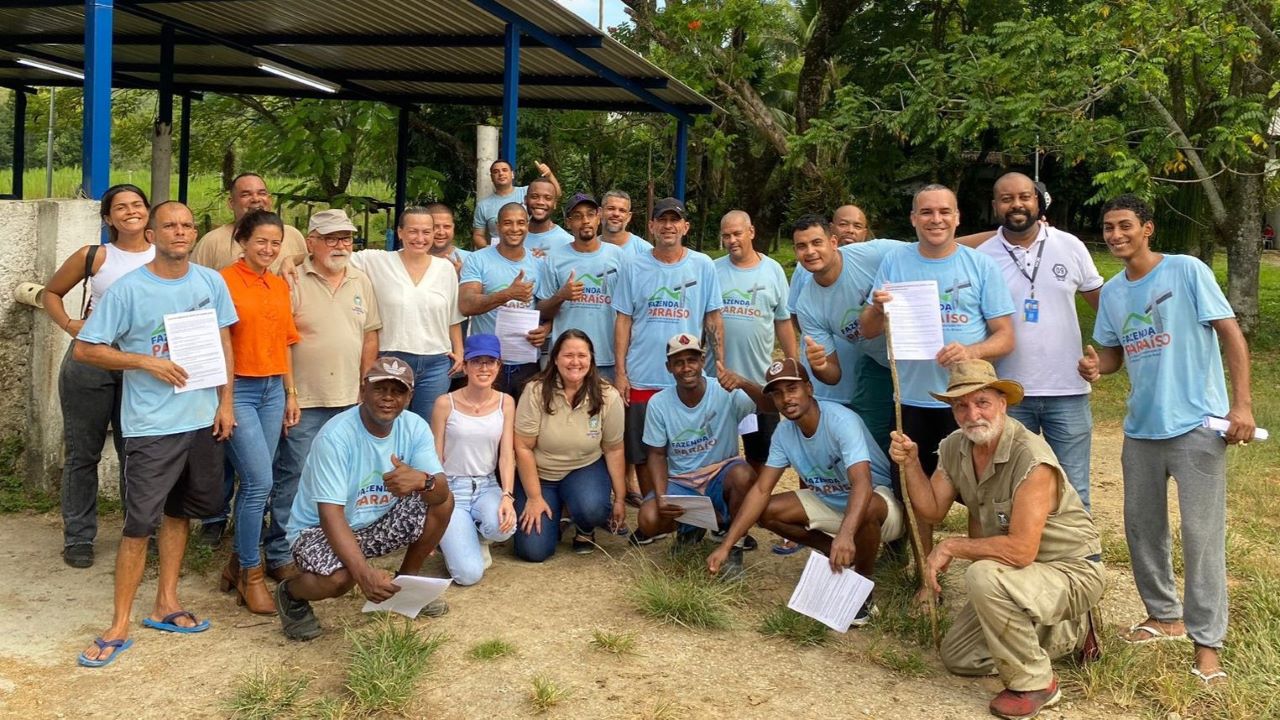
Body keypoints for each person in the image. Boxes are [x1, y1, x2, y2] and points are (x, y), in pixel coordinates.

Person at [1079, 194, 1254, 685]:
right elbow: (1113, 356)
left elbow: (1231, 334)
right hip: (1141, 430)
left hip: (1197, 426)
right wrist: (1096, 367)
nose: (1116, 235)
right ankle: (1164, 616)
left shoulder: (1186, 271)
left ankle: (1208, 644)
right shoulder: (1113, 293)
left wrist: (1240, 405)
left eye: (1125, 225)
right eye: (1109, 227)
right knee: (1142, 530)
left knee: (1201, 538)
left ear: (1148, 228)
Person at [891, 360, 1104, 720]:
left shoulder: (1031, 457)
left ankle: (1038, 683)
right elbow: (930, 512)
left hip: (1071, 571)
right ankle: (1062, 631)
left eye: (982, 402)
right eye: (961, 405)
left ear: (1002, 403)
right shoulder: (955, 446)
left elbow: (1020, 551)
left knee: (982, 575)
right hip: (1024, 575)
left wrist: (951, 546)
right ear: (953, 411)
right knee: (959, 657)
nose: (972, 414)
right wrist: (912, 464)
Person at [73, 201, 237, 668]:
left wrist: (224, 403)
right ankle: (118, 625)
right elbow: (86, 350)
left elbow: (224, 341)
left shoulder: (211, 281)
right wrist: (147, 361)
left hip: (202, 420)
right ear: (153, 231)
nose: (180, 232)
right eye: (169, 225)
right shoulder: (128, 290)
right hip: (151, 426)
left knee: (179, 513)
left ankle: (166, 602)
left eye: (187, 225)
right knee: (137, 525)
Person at [860, 184, 1015, 557]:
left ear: (958, 217)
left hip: (967, 402)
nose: (936, 219)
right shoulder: (896, 262)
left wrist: (971, 350)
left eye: (944, 212)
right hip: (911, 400)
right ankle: (925, 578)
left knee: (979, 493)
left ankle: (982, 573)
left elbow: (1006, 337)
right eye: (927, 212)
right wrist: (879, 309)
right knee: (916, 495)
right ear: (914, 219)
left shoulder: (980, 265)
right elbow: (866, 330)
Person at [707, 358, 905, 625]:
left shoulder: (840, 421)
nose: (785, 398)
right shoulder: (784, 433)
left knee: (866, 505)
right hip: (833, 502)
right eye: (777, 393)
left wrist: (845, 534)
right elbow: (761, 489)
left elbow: (862, 483)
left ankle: (862, 586)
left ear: (809, 389)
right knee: (765, 511)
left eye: (792, 389)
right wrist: (727, 544)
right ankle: (835, 552)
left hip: (880, 504)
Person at [275, 357, 454, 641]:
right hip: (317, 530)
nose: (388, 398)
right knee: (339, 579)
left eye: (397, 391)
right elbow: (330, 514)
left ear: (409, 396)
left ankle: (404, 588)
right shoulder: (336, 436)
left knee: (440, 501)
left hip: (375, 520)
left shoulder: (415, 426)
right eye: (380, 388)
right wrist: (363, 574)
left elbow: (442, 492)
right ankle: (290, 594)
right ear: (363, 391)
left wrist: (424, 480)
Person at [968, 173, 1104, 511]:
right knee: (1012, 487)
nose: (1017, 204)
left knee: (1073, 489)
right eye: (1007, 198)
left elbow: (1105, 306)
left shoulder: (1070, 245)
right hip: (1008, 393)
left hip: (1067, 390)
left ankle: (1082, 560)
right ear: (995, 205)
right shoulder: (982, 257)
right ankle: (1021, 559)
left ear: (1038, 201)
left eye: (1025, 197)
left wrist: (1105, 355)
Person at [263, 210, 382, 584]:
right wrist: (290, 392)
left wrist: (366, 384)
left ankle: (330, 549)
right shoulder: (292, 278)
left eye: (345, 238)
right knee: (295, 476)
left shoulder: (360, 279)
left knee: (343, 480)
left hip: (349, 398)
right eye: (331, 238)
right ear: (311, 241)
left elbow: (370, 335)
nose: (340, 245)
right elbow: (279, 339)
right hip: (306, 399)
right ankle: (281, 553)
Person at [43, 183, 154, 569]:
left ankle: (139, 533)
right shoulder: (95, 256)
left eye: (137, 205)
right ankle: (78, 537)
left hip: (140, 367)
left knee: (137, 454)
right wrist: (72, 325)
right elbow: (50, 293)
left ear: (148, 212)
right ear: (108, 218)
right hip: (89, 364)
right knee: (82, 453)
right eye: (120, 207)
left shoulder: (165, 256)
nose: (130, 212)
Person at [217, 210, 301, 614]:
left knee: (258, 484)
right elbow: (218, 345)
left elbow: (285, 341)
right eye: (260, 241)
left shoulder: (278, 284)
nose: (268, 249)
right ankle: (251, 573)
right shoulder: (223, 281)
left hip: (272, 389)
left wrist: (290, 393)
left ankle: (238, 561)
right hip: (239, 390)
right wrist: (225, 400)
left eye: (274, 243)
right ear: (242, 241)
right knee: (258, 483)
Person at [612, 197, 725, 494]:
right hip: (642, 373)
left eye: (675, 220)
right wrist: (621, 372)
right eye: (662, 220)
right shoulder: (633, 266)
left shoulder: (703, 266)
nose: (668, 226)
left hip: (686, 375)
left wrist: (721, 364)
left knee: (690, 443)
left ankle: (692, 507)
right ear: (651, 226)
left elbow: (713, 318)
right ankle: (655, 508)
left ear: (685, 227)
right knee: (643, 449)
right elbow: (623, 320)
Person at [638, 333, 763, 578]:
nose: (687, 368)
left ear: (702, 361)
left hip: (720, 474)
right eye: (679, 362)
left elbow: (769, 405)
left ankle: (734, 545)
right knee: (648, 518)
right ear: (669, 367)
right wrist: (663, 495)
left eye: (692, 360)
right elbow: (656, 454)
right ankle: (691, 528)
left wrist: (744, 383)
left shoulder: (725, 391)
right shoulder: (659, 403)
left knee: (743, 474)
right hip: (683, 480)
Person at [790, 215, 904, 453]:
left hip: (918, 359)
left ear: (833, 242)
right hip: (880, 364)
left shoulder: (873, 253)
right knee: (873, 441)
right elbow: (833, 375)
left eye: (816, 242)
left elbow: (926, 251)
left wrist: (995, 240)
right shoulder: (807, 305)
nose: (810, 252)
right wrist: (819, 366)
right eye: (802, 246)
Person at [339, 207, 464, 421]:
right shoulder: (377, 261)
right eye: (413, 231)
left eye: (426, 232)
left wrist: (459, 352)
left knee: (426, 429)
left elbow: (453, 318)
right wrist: (289, 261)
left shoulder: (445, 269)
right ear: (400, 232)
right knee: (386, 425)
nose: (420, 238)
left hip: (436, 363)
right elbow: (334, 254)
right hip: (392, 359)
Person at [512, 330, 627, 561]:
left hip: (583, 469)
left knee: (593, 508)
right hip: (541, 475)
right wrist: (534, 498)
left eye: (582, 355)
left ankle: (584, 528)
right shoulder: (535, 391)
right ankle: (557, 515)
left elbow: (614, 449)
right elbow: (523, 447)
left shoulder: (608, 395)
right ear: (555, 358)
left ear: (591, 359)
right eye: (568, 355)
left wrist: (620, 499)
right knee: (533, 551)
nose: (575, 362)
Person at [713, 210, 796, 474]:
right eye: (726, 236)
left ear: (751, 232)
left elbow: (782, 320)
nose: (732, 240)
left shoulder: (772, 270)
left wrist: (794, 364)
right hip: (718, 382)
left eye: (737, 233)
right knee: (716, 453)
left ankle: (758, 507)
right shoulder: (713, 270)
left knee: (761, 455)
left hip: (760, 384)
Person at [431, 334, 516, 585]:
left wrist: (507, 496)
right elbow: (435, 455)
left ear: (499, 366)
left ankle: (475, 536)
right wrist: (436, 501)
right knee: (468, 576)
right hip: (452, 489)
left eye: (490, 361)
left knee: (504, 528)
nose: (484, 368)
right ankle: (455, 540)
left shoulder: (506, 403)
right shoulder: (445, 404)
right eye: (476, 361)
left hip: (486, 485)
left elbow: (506, 454)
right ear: (465, 366)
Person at [459, 203, 552, 399]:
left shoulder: (539, 263)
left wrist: (546, 329)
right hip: (486, 360)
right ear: (498, 226)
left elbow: (546, 309)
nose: (515, 229)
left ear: (527, 225)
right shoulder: (478, 259)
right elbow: (466, 305)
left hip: (525, 361)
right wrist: (507, 294)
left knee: (523, 426)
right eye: (508, 223)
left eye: (520, 223)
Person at [537, 193, 625, 381]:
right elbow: (541, 311)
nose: (585, 221)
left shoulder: (619, 257)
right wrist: (561, 296)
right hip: (566, 360)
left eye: (590, 214)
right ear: (568, 222)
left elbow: (628, 313)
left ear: (599, 217)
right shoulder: (554, 259)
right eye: (577, 216)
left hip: (606, 359)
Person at [191, 172, 307, 272]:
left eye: (261, 193)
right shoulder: (212, 241)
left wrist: (292, 259)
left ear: (269, 200)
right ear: (231, 203)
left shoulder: (293, 235)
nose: (256, 199)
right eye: (246, 194)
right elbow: (194, 286)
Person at [472, 160, 560, 249]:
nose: (501, 173)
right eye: (496, 171)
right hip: (499, 252)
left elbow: (555, 194)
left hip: (531, 248)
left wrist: (549, 175)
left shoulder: (527, 192)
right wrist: (489, 251)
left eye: (504, 170)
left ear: (512, 174)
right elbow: (478, 235)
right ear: (491, 177)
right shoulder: (483, 206)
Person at [524, 177, 573, 257]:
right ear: (526, 200)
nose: (540, 202)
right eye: (535, 197)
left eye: (547, 198)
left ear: (554, 204)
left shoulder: (567, 242)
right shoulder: (513, 237)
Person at [600, 190, 654, 256]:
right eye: (611, 208)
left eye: (622, 210)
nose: (616, 214)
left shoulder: (645, 251)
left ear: (629, 217)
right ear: (600, 212)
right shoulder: (588, 249)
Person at [424, 201, 471, 273]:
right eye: (435, 226)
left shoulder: (471, 259)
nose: (441, 232)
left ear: (453, 227)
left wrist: (463, 277)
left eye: (446, 227)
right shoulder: (410, 258)